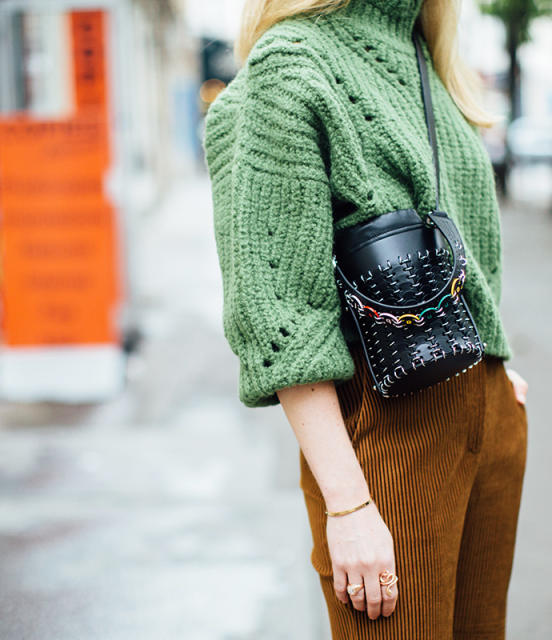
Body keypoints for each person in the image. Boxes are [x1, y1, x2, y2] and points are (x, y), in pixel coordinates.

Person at [202, 0, 529, 637]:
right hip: (390, 421)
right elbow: (281, 314)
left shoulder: (424, 55)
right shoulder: (292, 65)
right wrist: (348, 504)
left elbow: (460, 241)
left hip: (488, 408)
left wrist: (497, 365)